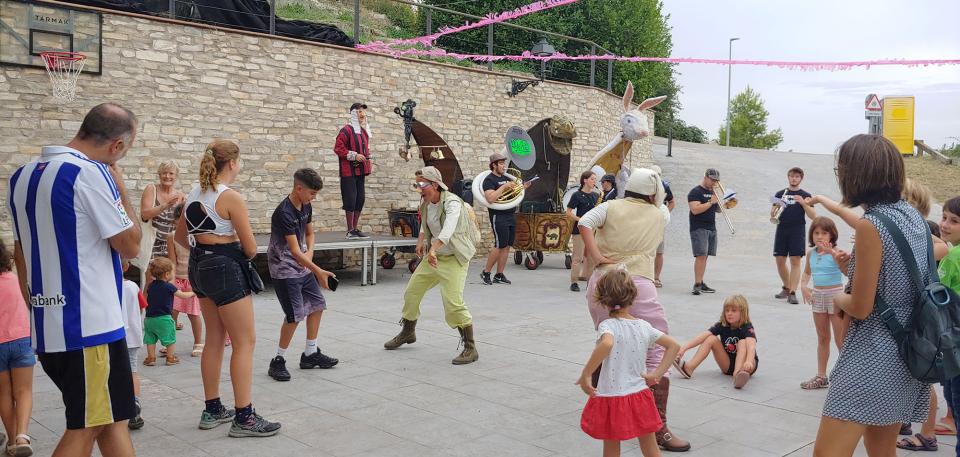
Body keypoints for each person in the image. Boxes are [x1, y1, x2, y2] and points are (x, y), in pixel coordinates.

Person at [9, 103, 141, 456]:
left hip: (50, 324)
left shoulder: (21, 176)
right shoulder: (90, 174)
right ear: (116, 146)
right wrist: (121, 190)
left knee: (112, 419)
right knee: (87, 425)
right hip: (90, 329)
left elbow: (20, 252)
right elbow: (130, 244)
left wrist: (37, 306)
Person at [811, 134, 932, 456]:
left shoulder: (871, 225)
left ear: (857, 174)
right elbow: (899, 278)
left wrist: (836, 298)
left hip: (873, 353)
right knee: (881, 449)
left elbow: (861, 307)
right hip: (907, 351)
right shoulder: (912, 216)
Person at [174, 139, 281, 437]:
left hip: (198, 266)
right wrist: (226, 243)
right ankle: (244, 416)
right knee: (244, 341)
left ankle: (212, 408)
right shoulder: (230, 197)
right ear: (232, 163)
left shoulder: (194, 194)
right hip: (225, 268)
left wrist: (209, 242)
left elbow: (180, 238)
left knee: (214, 339)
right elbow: (249, 248)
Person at [579, 168, 690, 452]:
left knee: (609, 340)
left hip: (602, 281)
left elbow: (584, 222)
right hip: (638, 284)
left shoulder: (609, 206)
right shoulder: (659, 213)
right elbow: (665, 205)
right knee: (654, 349)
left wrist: (596, 255)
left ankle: (604, 402)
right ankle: (657, 426)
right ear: (652, 192)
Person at [576, 269, 681, 457]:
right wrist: (656, 374)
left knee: (611, 448)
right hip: (640, 395)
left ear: (602, 299)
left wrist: (586, 373)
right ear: (633, 297)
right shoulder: (644, 326)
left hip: (613, 397)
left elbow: (607, 343)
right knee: (650, 448)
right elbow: (673, 346)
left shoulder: (607, 325)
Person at [383, 166, 480, 365]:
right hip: (435, 257)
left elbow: (448, 231)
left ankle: (470, 348)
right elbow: (424, 222)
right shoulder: (427, 203)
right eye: (417, 185)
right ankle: (408, 331)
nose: (419, 189)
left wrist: (433, 248)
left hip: (454, 257)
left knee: (453, 303)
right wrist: (421, 240)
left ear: (435, 184)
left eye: (421, 185)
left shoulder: (453, 203)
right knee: (412, 292)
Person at [266, 168, 338, 382]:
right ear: (299, 188)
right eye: (312, 193)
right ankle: (277, 360)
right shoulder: (284, 213)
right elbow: (294, 251)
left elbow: (309, 234)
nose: (313, 198)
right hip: (284, 269)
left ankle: (310, 354)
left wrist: (311, 255)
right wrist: (318, 270)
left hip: (303, 265)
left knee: (317, 306)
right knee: (294, 315)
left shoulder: (306, 205)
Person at [798, 217, 848, 390]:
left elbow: (847, 271)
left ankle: (845, 376)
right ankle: (821, 375)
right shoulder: (811, 253)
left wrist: (833, 254)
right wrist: (804, 286)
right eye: (816, 233)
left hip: (835, 296)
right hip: (818, 295)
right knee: (822, 337)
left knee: (840, 338)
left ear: (832, 235)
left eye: (824, 233)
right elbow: (806, 273)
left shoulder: (837, 251)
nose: (820, 236)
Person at [672, 295, 758, 389]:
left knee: (742, 342)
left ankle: (737, 375)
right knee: (711, 338)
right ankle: (689, 368)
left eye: (733, 311)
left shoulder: (747, 327)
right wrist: (684, 348)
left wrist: (749, 361)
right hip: (727, 364)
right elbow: (703, 335)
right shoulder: (722, 325)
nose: (729, 313)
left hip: (746, 365)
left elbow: (751, 346)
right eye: (727, 310)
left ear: (742, 312)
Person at [140, 163, 186, 328]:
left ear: (176, 176)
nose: (167, 176)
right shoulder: (151, 189)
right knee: (151, 282)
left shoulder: (180, 196)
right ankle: (145, 317)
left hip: (170, 244)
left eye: (171, 174)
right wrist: (165, 205)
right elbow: (145, 213)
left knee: (170, 282)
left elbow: (182, 221)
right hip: (153, 242)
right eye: (164, 173)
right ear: (159, 174)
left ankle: (168, 319)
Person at [0, 240, 34, 457]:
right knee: (24, 391)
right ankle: (22, 436)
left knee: (3, 393)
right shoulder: (15, 280)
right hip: (21, 340)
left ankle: (11, 441)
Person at [481, 152, 530, 285]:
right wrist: (504, 186)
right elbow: (490, 199)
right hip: (498, 215)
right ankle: (486, 272)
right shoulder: (489, 180)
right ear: (494, 165)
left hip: (510, 214)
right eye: (501, 163)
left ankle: (499, 274)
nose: (504, 166)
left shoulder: (506, 178)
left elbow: (512, 195)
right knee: (499, 245)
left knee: (507, 246)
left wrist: (522, 188)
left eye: (504, 163)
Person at [771, 167, 816, 304]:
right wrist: (776, 209)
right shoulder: (780, 193)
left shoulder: (806, 195)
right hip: (782, 228)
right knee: (780, 260)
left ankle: (792, 292)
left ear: (801, 179)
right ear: (788, 177)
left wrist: (803, 203)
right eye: (791, 176)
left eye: (797, 177)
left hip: (797, 229)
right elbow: (772, 214)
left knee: (795, 261)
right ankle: (787, 286)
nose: (794, 179)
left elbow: (813, 216)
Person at [938, 197, 960, 455]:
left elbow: (937, 299)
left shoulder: (952, 257)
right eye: (944, 218)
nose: (945, 224)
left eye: (954, 221)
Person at [142, 257, 194, 366]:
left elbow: (146, 297)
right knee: (170, 339)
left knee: (150, 339)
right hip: (164, 318)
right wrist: (193, 293)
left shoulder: (151, 286)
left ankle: (151, 358)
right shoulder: (169, 286)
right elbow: (183, 295)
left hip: (149, 319)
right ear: (166, 274)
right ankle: (170, 357)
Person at [167, 204, 203, 358]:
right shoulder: (172, 236)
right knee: (172, 312)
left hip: (193, 279)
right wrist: (171, 280)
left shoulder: (199, 236)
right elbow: (172, 261)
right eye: (179, 220)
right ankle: (169, 343)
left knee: (193, 314)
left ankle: (198, 342)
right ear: (175, 221)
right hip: (178, 279)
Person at [333, 102, 372, 239]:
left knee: (359, 199)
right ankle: (350, 230)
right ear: (353, 114)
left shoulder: (363, 133)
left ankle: (354, 229)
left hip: (360, 171)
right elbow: (338, 148)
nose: (362, 114)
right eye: (359, 111)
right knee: (350, 199)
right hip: (348, 172)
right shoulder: (346, 130)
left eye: (363, 112)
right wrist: (354, 155)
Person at [119, 260, 147, 431]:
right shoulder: (133, 287)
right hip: (133, 336)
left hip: (112, 337)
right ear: (127, 267)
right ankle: (135, 404)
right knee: (132, 371)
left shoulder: (105, 287)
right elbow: (142, 307)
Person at [687, 169, 722, 295]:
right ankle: (696, 284)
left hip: (711, 227)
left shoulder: (712, 192)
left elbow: (718, 210)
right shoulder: (695, 192)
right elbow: (695, 209)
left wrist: (722, 203)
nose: (714, 182)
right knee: (701, 256)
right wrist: (710, 202)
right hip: (699, 227)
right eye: (712, 179)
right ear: (705, 177)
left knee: (705, 256)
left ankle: (701, 282)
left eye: (716, 180)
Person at [567, 171, 600, 292]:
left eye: (595, 179)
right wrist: (581, 219)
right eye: (592, 179)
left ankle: (590, 282)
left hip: (592, 229)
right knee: (578, 257)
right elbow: (568, 213)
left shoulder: (596, 196)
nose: (594, 181)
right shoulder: (576, 195)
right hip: (580, 228)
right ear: (585, 180)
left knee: (591, 257)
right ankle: (574, 282)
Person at [650, 165, 674, 288]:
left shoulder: (664, 186)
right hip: (646, 221)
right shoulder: (645, 186)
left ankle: (656, 277)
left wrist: (665, 214)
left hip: (659, 223)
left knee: (659, 251)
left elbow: (672, 202)